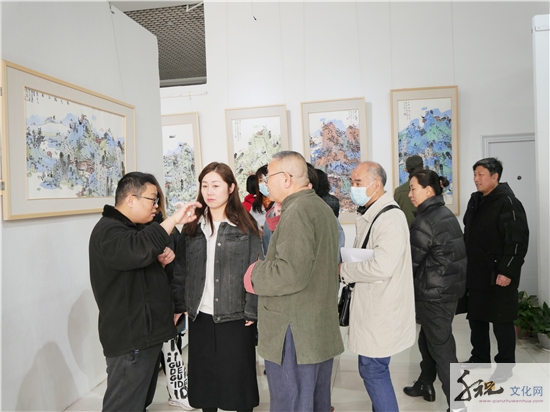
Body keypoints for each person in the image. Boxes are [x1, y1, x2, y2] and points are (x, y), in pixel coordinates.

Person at [89, 172, 200, 412]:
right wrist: (175, 219)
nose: (156, 206)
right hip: (131, 338)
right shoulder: (109, 230)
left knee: (138, 403)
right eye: (152, 199)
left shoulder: (129, 229)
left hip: (146, 335)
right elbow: (138, 248)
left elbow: (134, 268)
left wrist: (158, 264)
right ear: (130, 199)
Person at [243, 151, 344, 411]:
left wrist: (253, 274)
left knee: (292, 402)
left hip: (293, 330)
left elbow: (289, 273)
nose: (265, 184)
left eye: (268, 177)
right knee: (315, 402)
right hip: (314, 327)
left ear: (286, 179)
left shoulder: (297, 211)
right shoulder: (319, 207)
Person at [172, 162, 263, 412]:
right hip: (200, 314)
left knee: (238, 380)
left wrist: (252, 309)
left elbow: (256, 269)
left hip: (236, 314)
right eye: (204, 186)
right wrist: (179, 305)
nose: (209, 192)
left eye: (215, 185)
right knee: (206, 381)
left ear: (231, 188)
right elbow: (181, 269)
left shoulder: (245, 226)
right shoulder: (192, 226)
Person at [338, 161, 415, 412]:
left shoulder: (390, 217)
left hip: (381, 307)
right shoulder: (373, 212)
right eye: (352, 182)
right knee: (372, 367)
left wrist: (344, 270)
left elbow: (382, 266)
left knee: (373, 369)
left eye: (358, 182)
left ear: (377, 184)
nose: (353, 188)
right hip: (374, 304)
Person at [403, 170, 466, 409]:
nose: (410, 194)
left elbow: (410, 261)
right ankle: (425, 382)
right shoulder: (444, 213)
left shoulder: (425, 221)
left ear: (428, 191)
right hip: (447, 291)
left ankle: (458, 404)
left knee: (442, 350)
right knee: (428, 340)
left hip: (434, 295)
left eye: (413, 188)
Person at [462, 157, 529, 382]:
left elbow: (517, 242)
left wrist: (507, 271)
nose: (476, 179)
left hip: (499, 274)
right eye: (475, 174)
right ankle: (479, 357)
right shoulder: (476, 200)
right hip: (477, 272)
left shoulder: (508, 202)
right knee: (477, 318)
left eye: (480, 174)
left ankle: (505, 365)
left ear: (495, 176)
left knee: (502, 322)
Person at [148, 176, 194, 411]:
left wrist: (178, 306)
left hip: (167, 305)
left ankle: (178, 392)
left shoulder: (169, 230)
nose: (154, 205)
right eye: (150, 199)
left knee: (171, 350)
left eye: (156, 199)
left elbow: (179, 272)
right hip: (145, 308)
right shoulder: (132, 232)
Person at [394, 155, 424, 228]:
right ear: (423, 168)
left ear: (406, 170)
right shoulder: (430, 190)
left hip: (405, 233)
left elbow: (395, 217)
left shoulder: (399, 192)